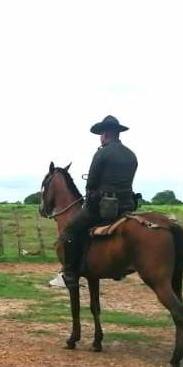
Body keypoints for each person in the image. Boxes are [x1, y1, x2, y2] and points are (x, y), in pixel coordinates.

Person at [59, 115, 139, 288]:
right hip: (127, 207)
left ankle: (70, 272)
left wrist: (90, 199)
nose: (100, 137)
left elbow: (91, 184)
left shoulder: (102, 153)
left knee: (69, 231)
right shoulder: (131, 155)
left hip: (104, 208)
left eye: (101, 134)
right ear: (117, 133)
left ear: (105, 134)